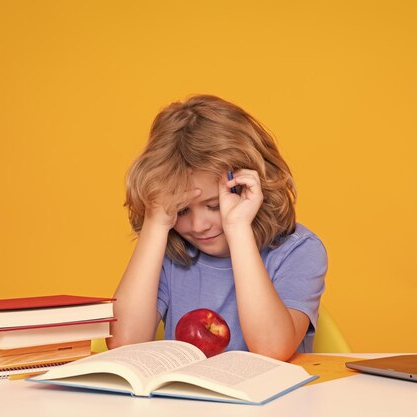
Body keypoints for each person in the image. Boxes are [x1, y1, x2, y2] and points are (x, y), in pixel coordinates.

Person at [108, 95, 326, 361]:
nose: (198, 226)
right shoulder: (169, 249)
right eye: (182, 210)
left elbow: (272, 349)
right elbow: (124, 345)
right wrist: (156, 222)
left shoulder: (298, 250)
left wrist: (237, 227)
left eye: (213, 206)